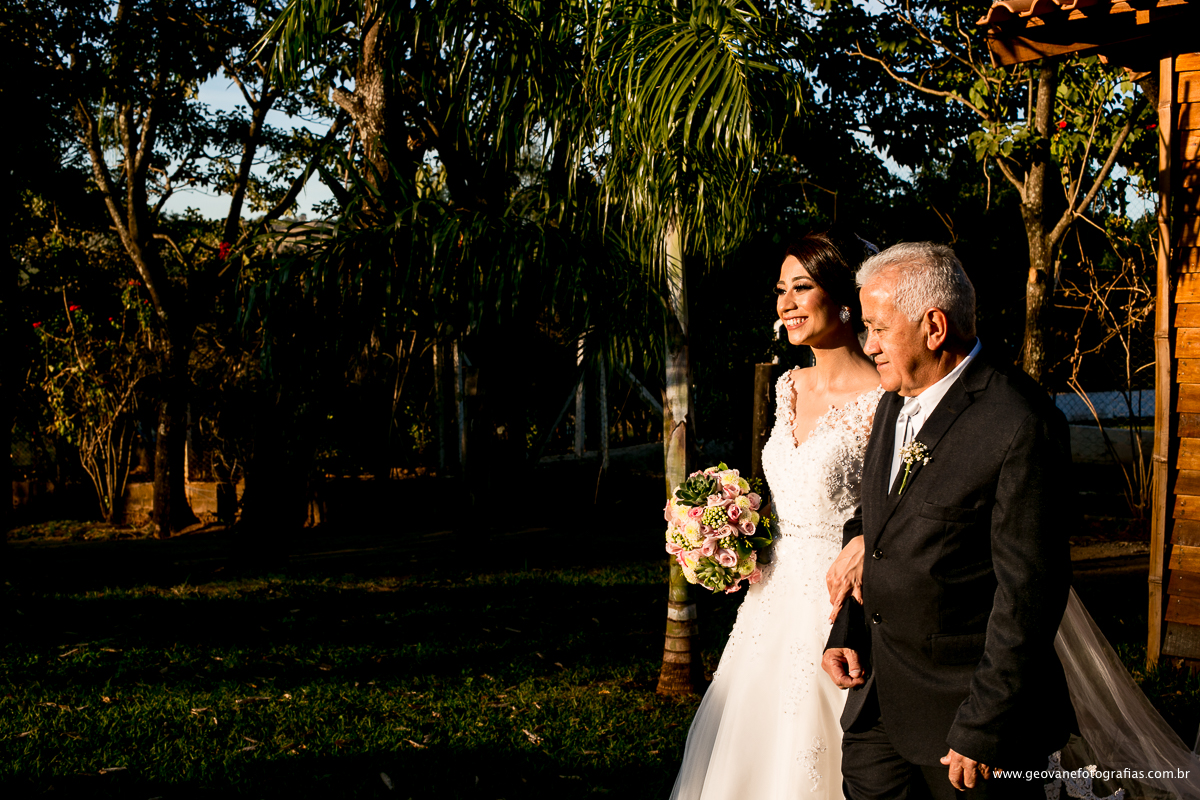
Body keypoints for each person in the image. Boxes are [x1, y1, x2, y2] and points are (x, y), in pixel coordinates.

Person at [668, 229, 882, 799]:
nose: (786, 303)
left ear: (843, 297)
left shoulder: (887, 397)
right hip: (769, 595)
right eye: (780, 290)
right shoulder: (788, 385)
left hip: (840, 600)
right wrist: (729, 530)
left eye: (802, 287)